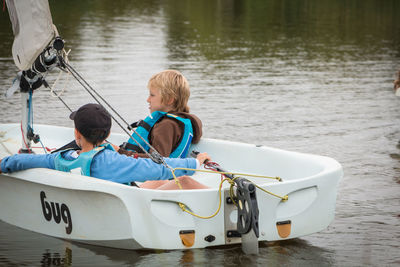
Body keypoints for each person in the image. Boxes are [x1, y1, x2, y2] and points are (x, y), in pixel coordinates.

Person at [0, 103, 209, 189]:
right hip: (130, 204)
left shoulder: (59, 158)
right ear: (108, 134)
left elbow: (26, 159)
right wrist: (194, 162)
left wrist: (4, 164)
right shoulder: (114, 162)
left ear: (76, 134)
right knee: (184, 180)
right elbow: (161, 167)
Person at [118, 70, 202, 159]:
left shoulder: (166, 126)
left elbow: (158, 161)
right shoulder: (183, 122)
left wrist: (121, 153)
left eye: (152, 95)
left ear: (169, 99)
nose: (148, 99)